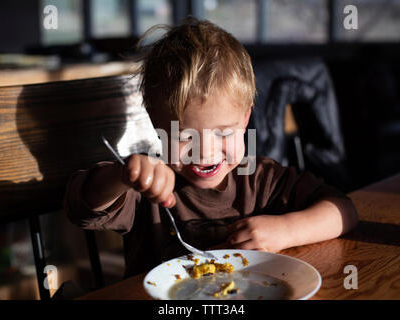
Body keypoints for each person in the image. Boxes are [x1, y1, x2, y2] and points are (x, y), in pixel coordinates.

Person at [64, 18, 358, 277]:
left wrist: (285, 231)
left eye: (223, 133)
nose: (204, 152)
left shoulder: (262, 180)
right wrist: (121, 176)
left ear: (245, 118)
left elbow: (343, 211)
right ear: (156, 124)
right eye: (185, 136)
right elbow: (82, 209)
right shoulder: (147, 186)